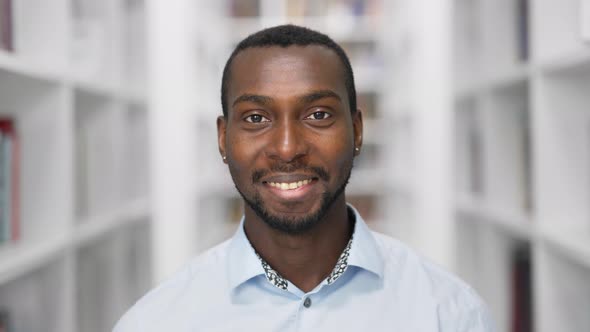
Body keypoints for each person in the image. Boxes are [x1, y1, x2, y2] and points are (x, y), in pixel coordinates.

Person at [113, 24, 494, 331]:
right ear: (223, 138)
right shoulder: (155, 322)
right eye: (256, 119)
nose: (287, 147)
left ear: (357, 131)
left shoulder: (450, 314)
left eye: (318, 115)